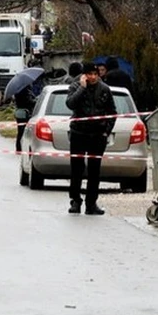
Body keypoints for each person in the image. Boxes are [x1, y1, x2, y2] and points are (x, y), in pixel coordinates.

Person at [65, 61, 117, 215]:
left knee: (94, 171)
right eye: (90, 74)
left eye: (95, 74)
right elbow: (70, 104)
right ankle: (75, 200)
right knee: (77, 169)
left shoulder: (104, 89)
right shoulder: (75, 87)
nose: (93, 77)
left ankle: (91, 203)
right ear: (84, 75)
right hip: (79, 134)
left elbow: (112, 112)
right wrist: (82, 88)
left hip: (97, 135)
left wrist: (106, 131)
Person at [12, 85, 35, 154]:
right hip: (24, 113)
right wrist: (34, 100)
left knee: (20, 131)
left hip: (19, 112)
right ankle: (20, 147)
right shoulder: (24, 92)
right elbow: (28, 102)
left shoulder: (17, 90)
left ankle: (19, 148)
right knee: (22, 131)